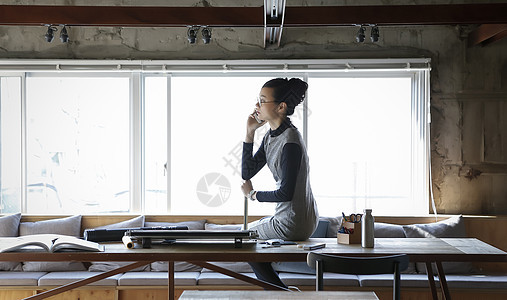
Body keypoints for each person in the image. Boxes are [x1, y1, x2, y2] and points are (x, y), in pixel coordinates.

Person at [241, 78, 319, 289]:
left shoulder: (290, 141)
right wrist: (250, 133)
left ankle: (281, 293)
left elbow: (286, 192)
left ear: (281, 106)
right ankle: (280, 291)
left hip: (293, 221)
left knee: (243, 236)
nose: (257, 105)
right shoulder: (270, 137)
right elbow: (247, 172)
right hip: (292, 217)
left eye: (262, 100)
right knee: (250, 238)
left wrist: (253, 195)